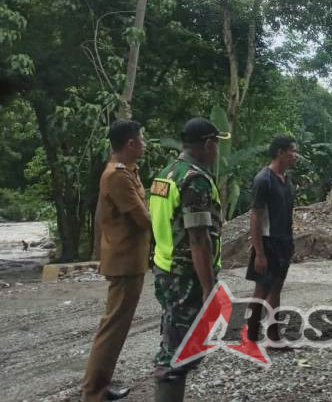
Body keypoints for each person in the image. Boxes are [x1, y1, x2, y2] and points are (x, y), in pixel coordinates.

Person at [149, 118, 229, 402]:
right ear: (208, 144)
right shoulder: (194, 180)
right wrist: (208, 287)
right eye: (216, 145)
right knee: (178, 352)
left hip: (164, 267)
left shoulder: (165, 174)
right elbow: (198, 238)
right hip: (185, 275)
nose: (217, 151)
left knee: (176, 338)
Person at [82, 120, 149, 402]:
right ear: (130, 144)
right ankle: (93, 391)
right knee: (112, 327)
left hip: (130, 260)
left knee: (117, 327)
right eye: (141, 139)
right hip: (124, 262)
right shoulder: (117, 176)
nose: (144, 144)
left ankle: (101, 385)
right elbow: (143, 218)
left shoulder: (128, 171)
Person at [246, 135, 298, 346]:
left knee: (276, 287)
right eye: (293, 151)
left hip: (284, 241)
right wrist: (259, 252)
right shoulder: (263, 180)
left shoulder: (286, 179)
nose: (296, 156)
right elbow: (256, 216)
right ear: (280, 152)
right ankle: (250, 334)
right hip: (268, 242)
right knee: (262, 288)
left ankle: (273, 335)